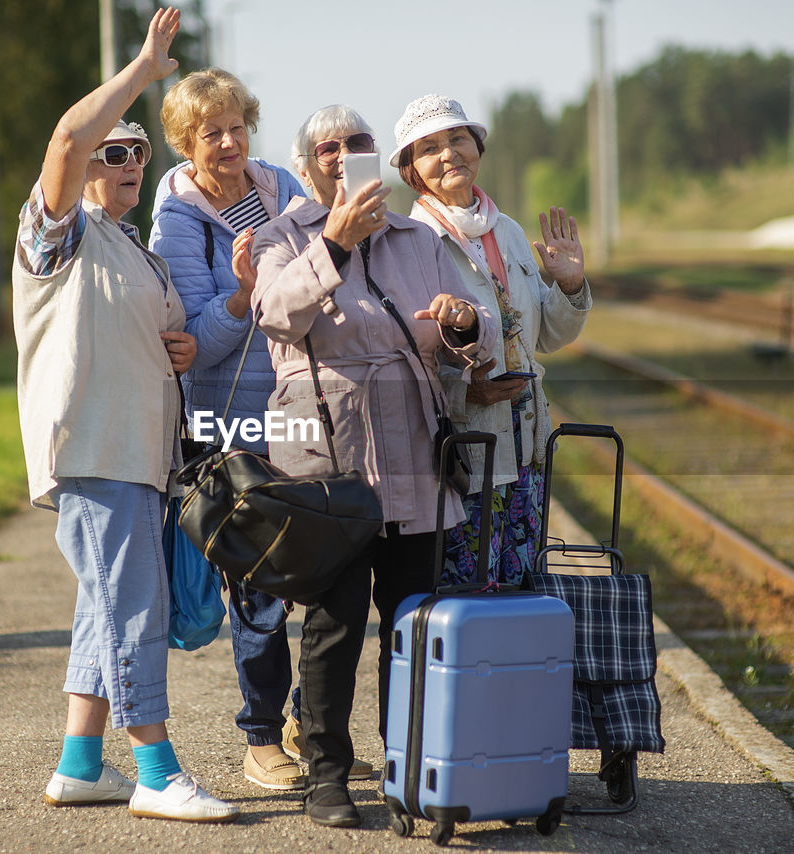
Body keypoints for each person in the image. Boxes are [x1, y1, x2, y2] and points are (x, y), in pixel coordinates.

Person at [11, 7, 238, 823]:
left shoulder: (133, 247)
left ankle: (80, 763)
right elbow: (68, 143)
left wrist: (178, 351)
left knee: (101, 607)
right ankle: (156, 769)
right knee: (132, 609)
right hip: (96, 450)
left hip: (140, 456)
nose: (129, 160)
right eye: (117, 151)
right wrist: (145, 70)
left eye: (139, 151)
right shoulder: (58, 236)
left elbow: (155, 339)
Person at [250, 104, 496, 828]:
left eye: (357, 143)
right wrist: (332, 242)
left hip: (412, 449)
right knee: (332, 623)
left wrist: (461, 325)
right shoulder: (279, 235)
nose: (342, 154)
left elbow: (464, 339)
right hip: (327, 458)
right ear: (305, 167)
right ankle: (326, 776)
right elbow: (273, 314)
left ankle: (405, 766)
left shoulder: (415, 237)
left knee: (412, 619)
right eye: (327, 147)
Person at [148, 68, 372, 791]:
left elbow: (326, 274)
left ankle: (315, 728)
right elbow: (198, 343)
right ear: (186, 144)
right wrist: (245, 297)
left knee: (323, 576)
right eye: (211, 132)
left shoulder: (280, 184)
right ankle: (260, 736)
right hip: (230, 425)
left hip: (305, 415)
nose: (229, 141)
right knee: (259, 588)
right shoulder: (177, 219)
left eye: (238, 125)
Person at [390, 94, 591, 588]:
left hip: (527, 449)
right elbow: (401, 354)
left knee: (521, 591)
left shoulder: (509, 231)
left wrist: (568, 285)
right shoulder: (410, 240)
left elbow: (546, 335)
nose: (449, 154)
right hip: (462, 456)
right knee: (468, 593)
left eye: (458, 138)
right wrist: (465, 390)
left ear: (477, 146)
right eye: (430, 147)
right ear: (412, 171)